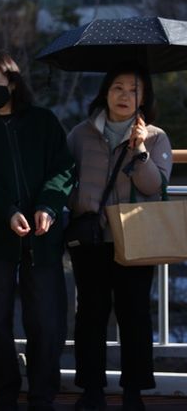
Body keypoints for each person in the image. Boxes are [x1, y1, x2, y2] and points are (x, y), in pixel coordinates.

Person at [0, 50, 74, 411]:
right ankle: (5, 393)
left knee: (46, 321)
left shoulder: (43, 121)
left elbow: (64, 169)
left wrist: (48, 206)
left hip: (43, 236)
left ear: (12, 83)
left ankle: (42, 395)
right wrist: (7, 211)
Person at [67, 65, 172, 411]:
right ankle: (91, 389)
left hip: (136, 235)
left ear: (144, 98)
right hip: (92, 237)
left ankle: (133, 392)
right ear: (106, 92)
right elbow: (64, 177)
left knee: (135, 314)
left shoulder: (156, 137)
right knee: (91, 314)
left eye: (133, 90)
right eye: (118, 87)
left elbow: (154, 186)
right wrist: (79, 204)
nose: (125, 95)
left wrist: (139, 150)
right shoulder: (80, 134)